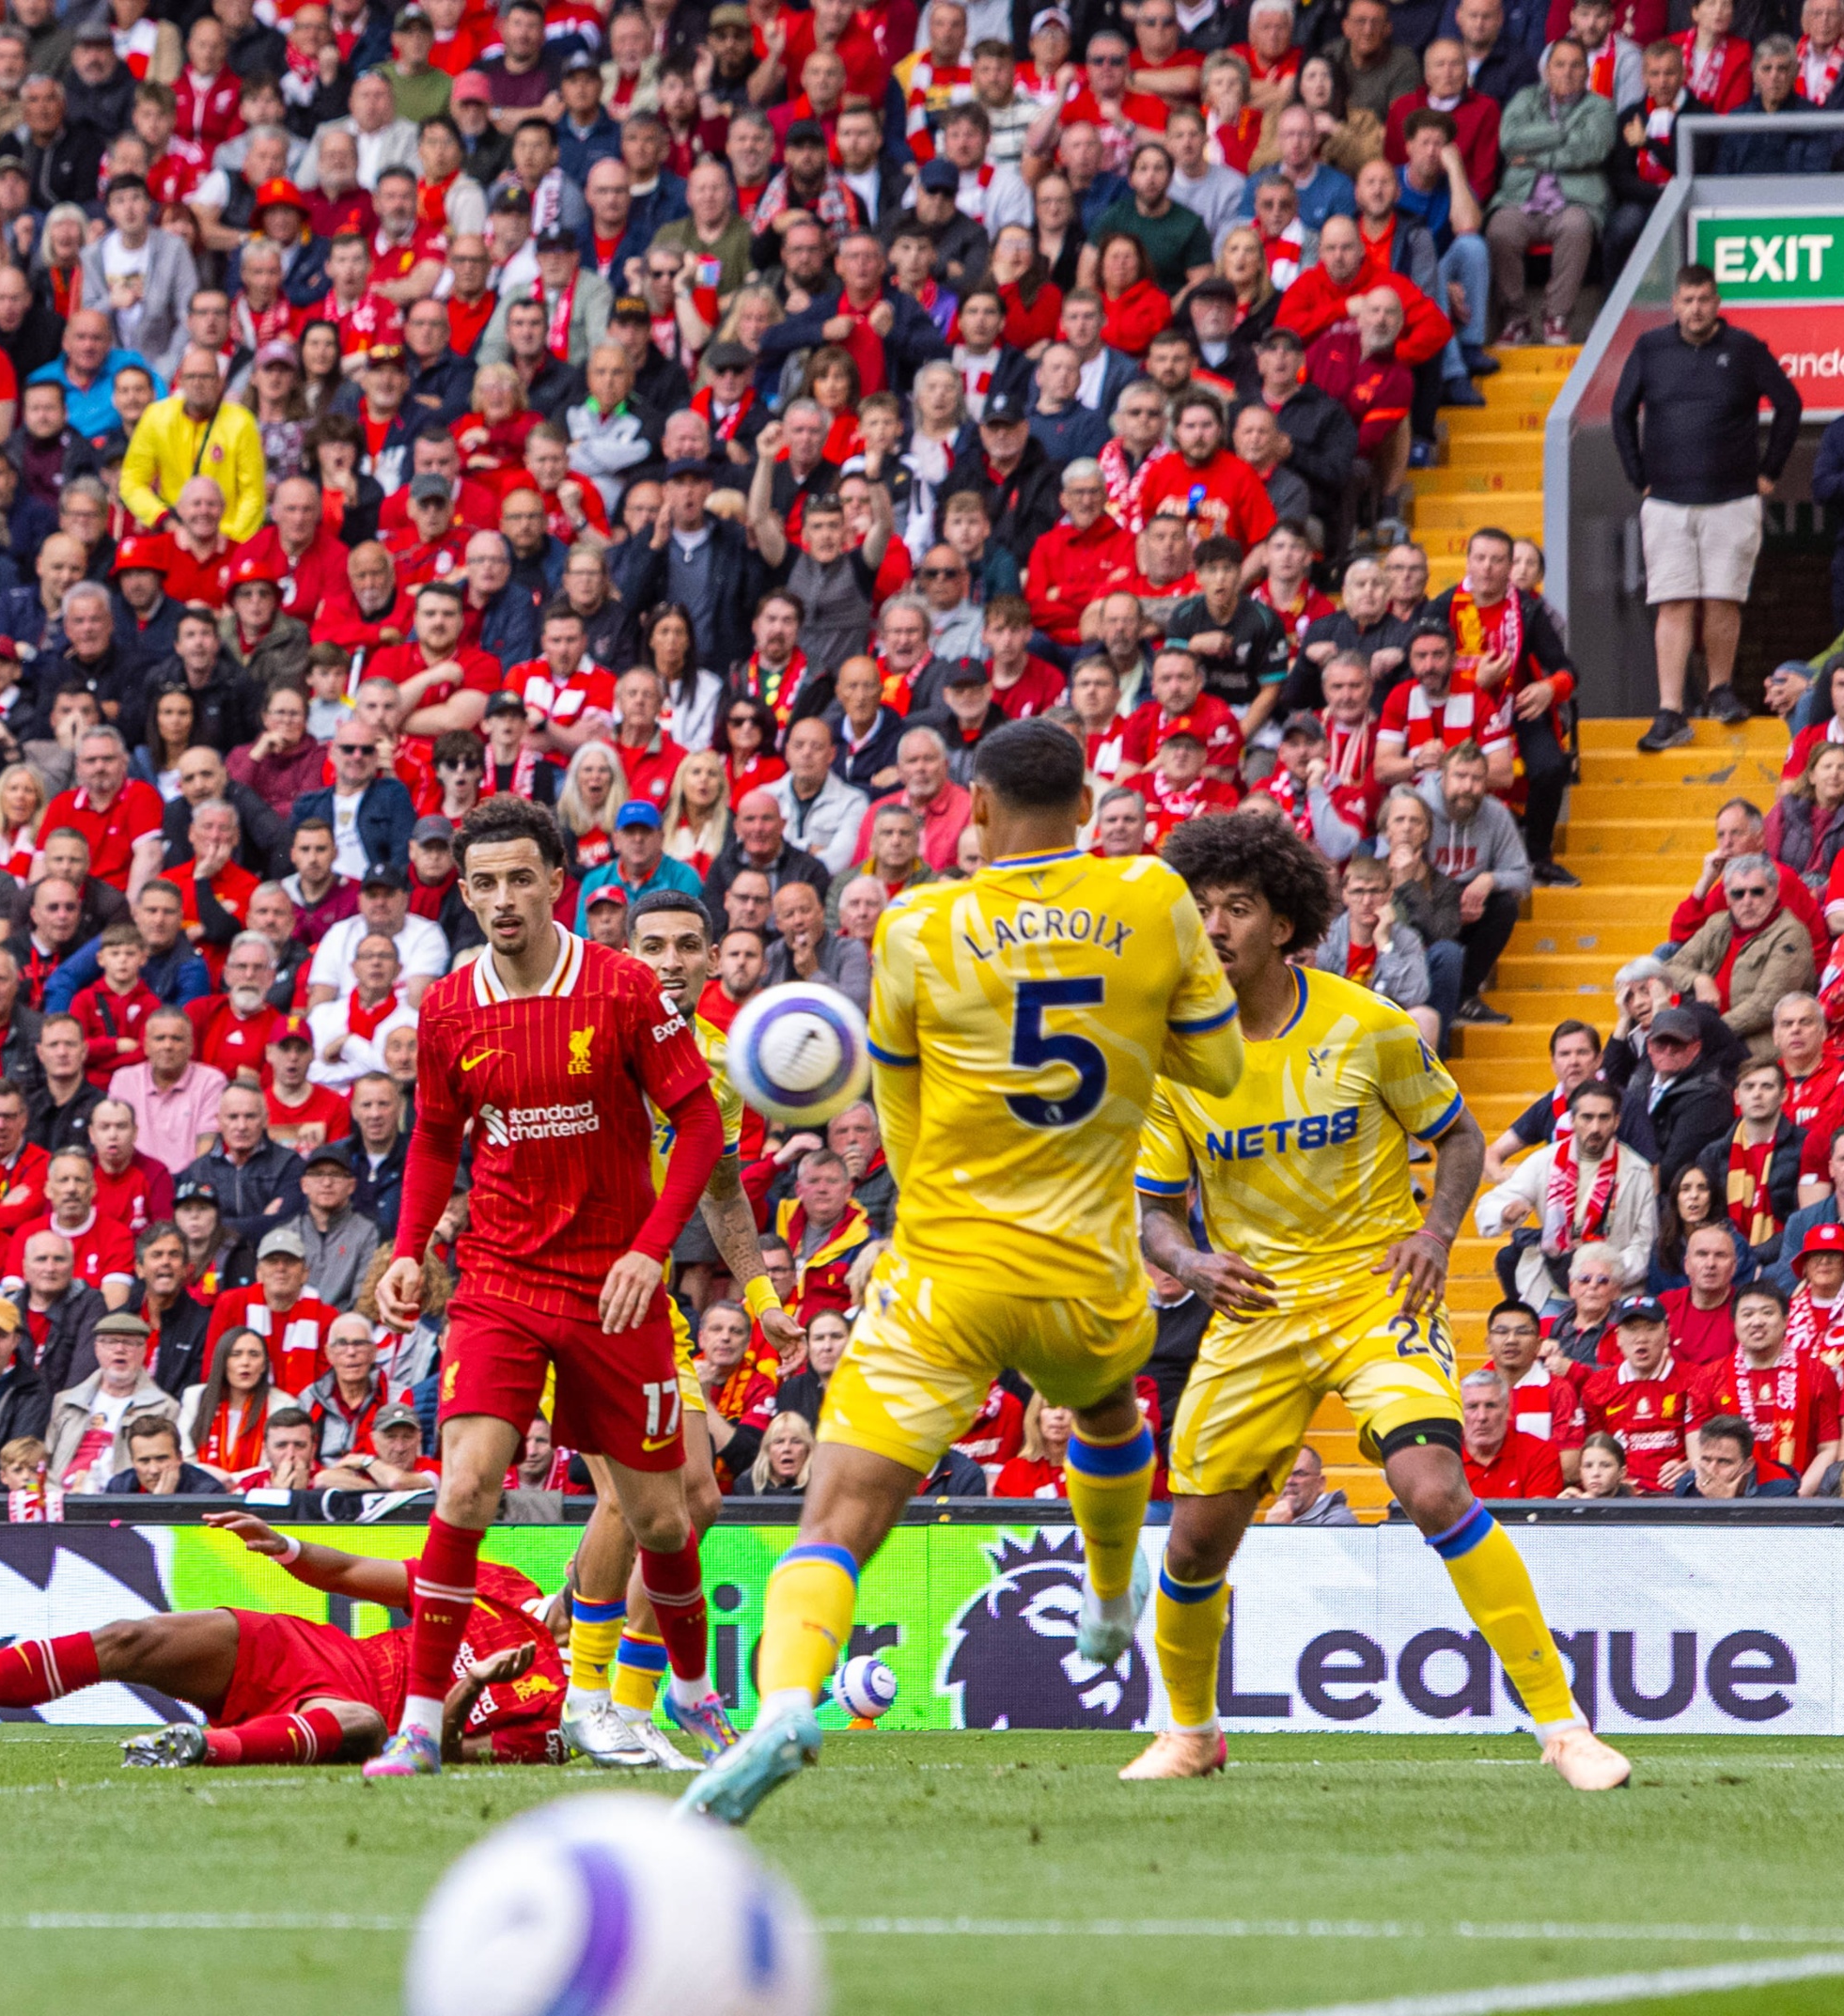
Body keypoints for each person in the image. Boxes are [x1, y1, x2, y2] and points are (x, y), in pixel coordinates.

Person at [683, 719, 1243, 1825]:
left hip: (946, 1266)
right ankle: (1100, 1589)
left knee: (835, 1518)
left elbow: (894, 1112)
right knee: (1100, 1406)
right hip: (1088, 1265)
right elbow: (1220, 1067)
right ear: (1086, 807)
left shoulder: (914, 924)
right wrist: (1129, 1024)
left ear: (972, 812)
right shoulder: (1149, 898)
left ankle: (787, 1704)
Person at [1124, 811, 1626, 1789]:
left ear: (1283, 924)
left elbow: (1463, 1140)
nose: (1214, 926)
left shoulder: (1365, 1024)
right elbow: (1151, 1215)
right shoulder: (1168, 1058)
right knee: (1192, 1540)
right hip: (1254, 1306)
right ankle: (1188, 1731)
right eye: (1199, 909)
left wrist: (1434, 1232)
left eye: (1237, 907)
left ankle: (1562, 1727)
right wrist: (1187, 1266)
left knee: (1432, 1485)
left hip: (1370, 1288)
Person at [359, 792, 728, 1780]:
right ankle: (419, 1722)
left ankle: (689, 1692)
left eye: (520, 877)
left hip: (614, 1284)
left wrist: (650, 1250)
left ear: (556, 881)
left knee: (661, 1518)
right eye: (482, 882)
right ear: (465, 893)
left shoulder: (619, 987)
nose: (501, 898)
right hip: (499, 1278)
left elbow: (698, 1125)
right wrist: (409, 1249)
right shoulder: (444, 1006)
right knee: (468, 1482)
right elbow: (436, 1134)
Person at [549, 887, 806, 1770]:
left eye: (686, 946)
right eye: (649, 944)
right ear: (623, 952)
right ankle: (588, 1695)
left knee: (694, 1500)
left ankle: (633, 1696)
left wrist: (765, 1299)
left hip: (653, 1304)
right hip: (566, 1292)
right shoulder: (583, 1033)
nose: (667, 960)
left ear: (712, 961)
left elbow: (724, 1192)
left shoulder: (718, 1067)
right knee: (634, 1496)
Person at [0, 1508, 561, 1766]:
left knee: (360, 1724)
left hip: (364, 1715)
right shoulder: (500, 1581)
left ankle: (196, 1747)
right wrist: (288, 1548)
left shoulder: (561, 1714)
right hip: (315, 1651)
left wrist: (469, 1687)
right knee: (125, 1638)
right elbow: (353, 1571)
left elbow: (450, 1754)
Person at [1609, 264, 1800, 752]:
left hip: (1733, 498)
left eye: (1705, 299)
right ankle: (1670, 709)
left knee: (1722, 599)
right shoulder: (1650, 347)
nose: (1696, 309)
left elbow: (1789, 404)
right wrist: (1637, 476)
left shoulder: (1746, 349)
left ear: (1718, 303)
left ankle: (1719, 691)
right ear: (1674, 303)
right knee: (1672, 602)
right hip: (1668, 500)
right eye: (1688, 300)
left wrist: (1769, 472)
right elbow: (1620, 410)